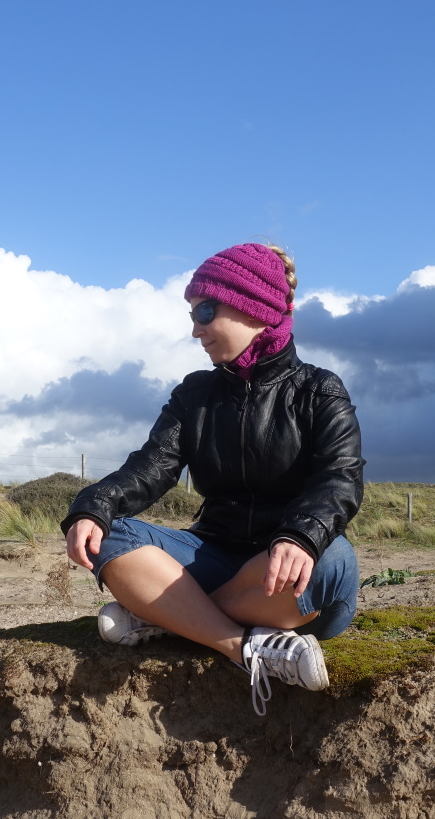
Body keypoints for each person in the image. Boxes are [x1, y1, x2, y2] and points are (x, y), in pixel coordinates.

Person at [61, 243, 364, 715]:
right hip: (214, 556)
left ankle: (167, 616)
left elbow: (340, 479)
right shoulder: (194, 394)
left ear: (253, 307)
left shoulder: (319, 390)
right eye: (192, 314)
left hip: (284, 571)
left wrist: (301, 536)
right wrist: (94, 506)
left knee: (334, 561)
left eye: (205, 310)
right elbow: (151, 466)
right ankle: (240, 645)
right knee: (111, 535)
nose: (195, 329)